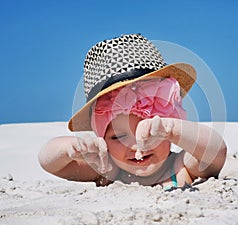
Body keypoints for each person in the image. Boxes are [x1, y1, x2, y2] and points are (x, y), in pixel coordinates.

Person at [38, 34, 227, 189]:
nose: (137, 145)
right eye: (118, 137)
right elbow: (49, 162)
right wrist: (70, 147)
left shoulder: (181, 166)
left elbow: (216, 152)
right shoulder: (107, 171)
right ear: (102, 140)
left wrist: (171, 129)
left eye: (152, 132)